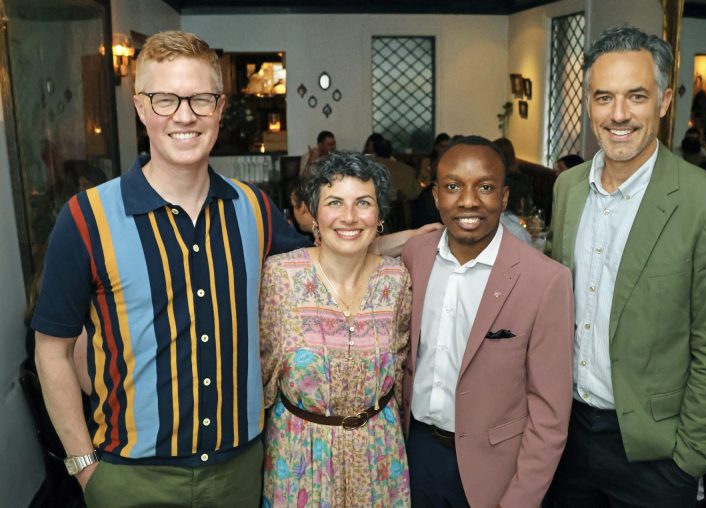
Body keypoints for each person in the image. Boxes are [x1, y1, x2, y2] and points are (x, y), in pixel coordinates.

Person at [31, 30, 431, 508]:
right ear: (140, 108)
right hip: (130, 478)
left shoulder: (253, 210)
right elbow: (52, 351)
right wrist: (83, 466)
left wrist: (425, 237)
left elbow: (329, 251)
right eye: (165, 99)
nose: (184, 115)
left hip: (241, 472)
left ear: (220, 108)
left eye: (200, 99)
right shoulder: (85, 218)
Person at [548, 26, 706, 507]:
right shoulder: (568, 188)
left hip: (656, 455)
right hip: (567, 438)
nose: (618, 114)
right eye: (604, 97)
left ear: (663, 102)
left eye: (636, 96)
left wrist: (689, 457)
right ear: (590, 104)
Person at [402, 135, 575, 507]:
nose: (468, 201)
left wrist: (520, 500)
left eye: (484, 187)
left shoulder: (545, 280)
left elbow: (550, 413)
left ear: (504, 197)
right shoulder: (415, 255)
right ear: (435, 197)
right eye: (452, 187)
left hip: (494, 468)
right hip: (414, 453)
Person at [260, 151, 411, 506]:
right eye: (334, 202)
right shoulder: (280, 276)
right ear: (314, 215)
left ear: (379, 216)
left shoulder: (396, 279)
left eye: (363, 202)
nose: (349, 217)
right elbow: (262, 376)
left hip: (379, 459)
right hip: (299, 461)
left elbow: (400, 371)